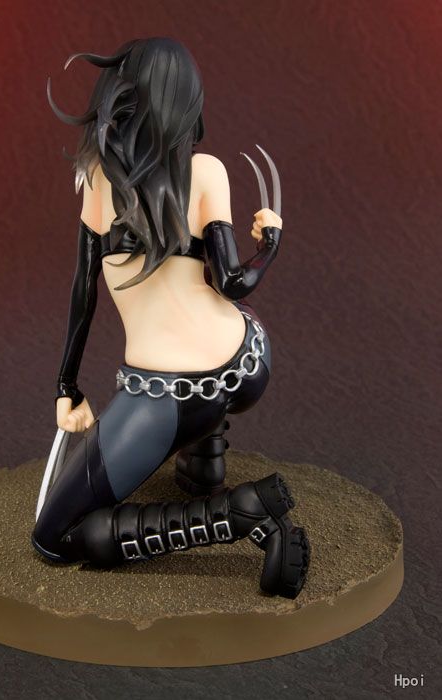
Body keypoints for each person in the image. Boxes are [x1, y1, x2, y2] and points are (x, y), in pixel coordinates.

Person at [31, 37, 309, 599]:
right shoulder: (206, 170)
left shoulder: (98, 177)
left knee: (54, 538)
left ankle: (241, 512)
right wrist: (270, 246)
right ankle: (204, 461)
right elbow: (232, 283)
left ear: (120, 96)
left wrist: (68, 387)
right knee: (204, 375)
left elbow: (83, 290)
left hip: (166, 394)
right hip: (248, 358)